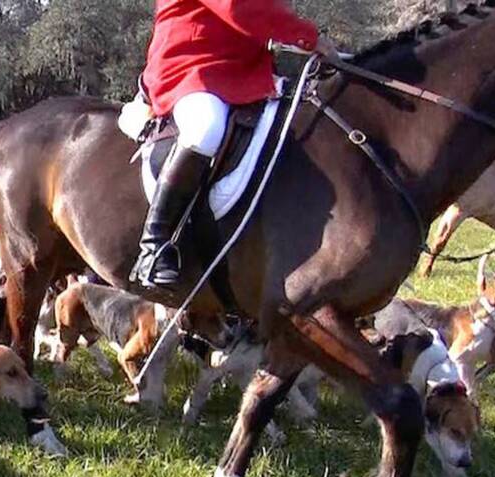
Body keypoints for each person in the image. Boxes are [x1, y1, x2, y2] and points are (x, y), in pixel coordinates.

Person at [128, 0, 338, 288]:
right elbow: (236, 7)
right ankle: (154, 245)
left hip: (243, 68)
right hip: (190, 64)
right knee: (205, 129)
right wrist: (307, 37)